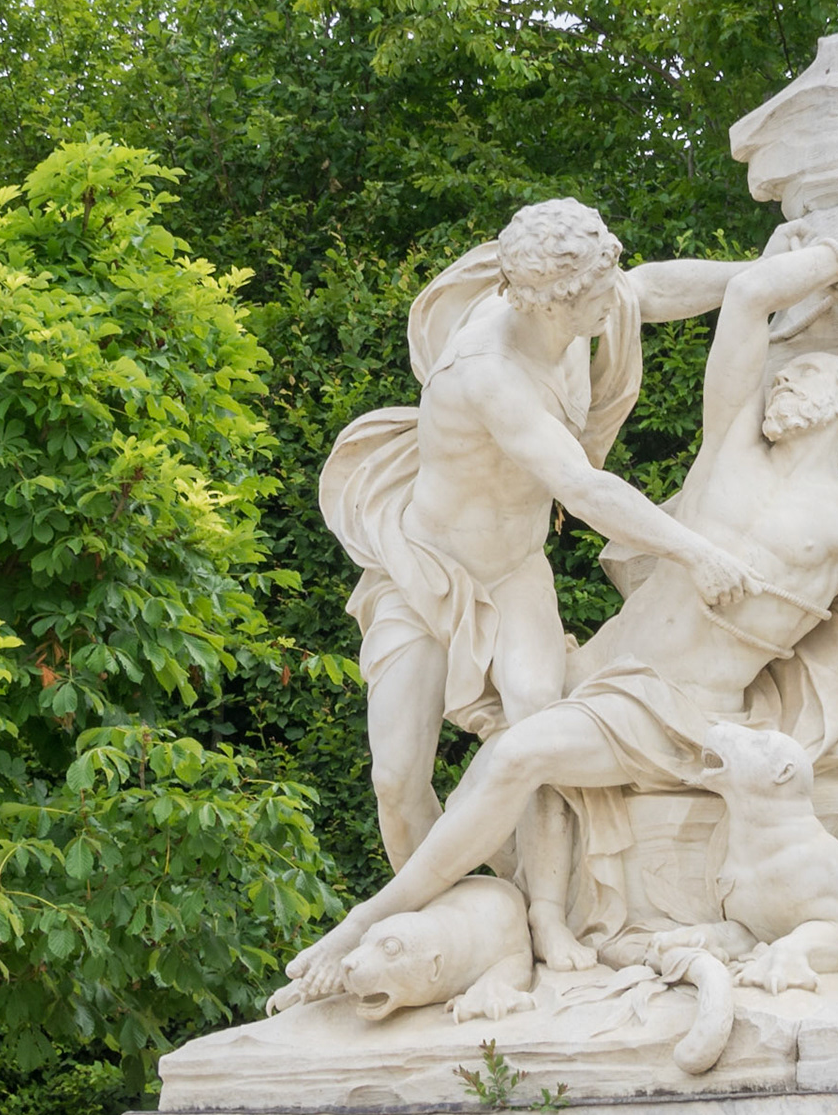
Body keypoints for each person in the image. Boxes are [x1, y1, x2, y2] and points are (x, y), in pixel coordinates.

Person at [279, 217, 838, 1005]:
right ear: (549, 301)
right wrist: (831, 259)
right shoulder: (725, 449)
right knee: (475, 757)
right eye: (785, 376)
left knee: (518, 749)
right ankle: (478, 926)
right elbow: (746, 300)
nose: (783, 383)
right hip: (603, 665)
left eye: (806, 376)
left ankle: (414, 923)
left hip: (691, 711)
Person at [319, 198, 761, 968]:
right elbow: (583, 489)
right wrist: (694, 552)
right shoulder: (486, 371)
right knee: (396, 778)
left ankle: (549, 916)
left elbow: (648, 290)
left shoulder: (574, 313)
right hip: (424, 572)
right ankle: (448, 932)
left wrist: (758, 276)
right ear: (552, 302)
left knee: (539, 723)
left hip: (514, 568)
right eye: (598, 292)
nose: (613, 301)